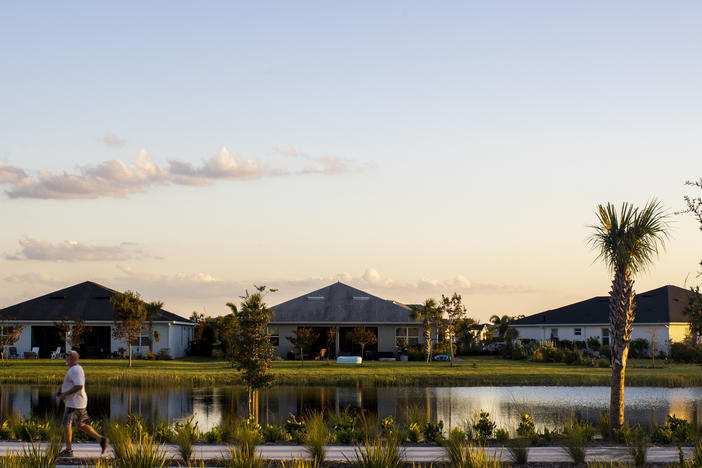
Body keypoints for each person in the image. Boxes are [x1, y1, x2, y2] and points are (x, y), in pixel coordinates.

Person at [57, 350, 109, 457]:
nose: (65, 358)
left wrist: (64, 393)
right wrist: (62, 389)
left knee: (66, 425)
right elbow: (75, 384)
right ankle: (101, 440)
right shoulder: (76, 369)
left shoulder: (75, 370)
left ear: (72, 358)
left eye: (66, 356)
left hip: (74, 403)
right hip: (77, 402)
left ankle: (68, 450)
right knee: (80, 424)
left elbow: (79, 386)